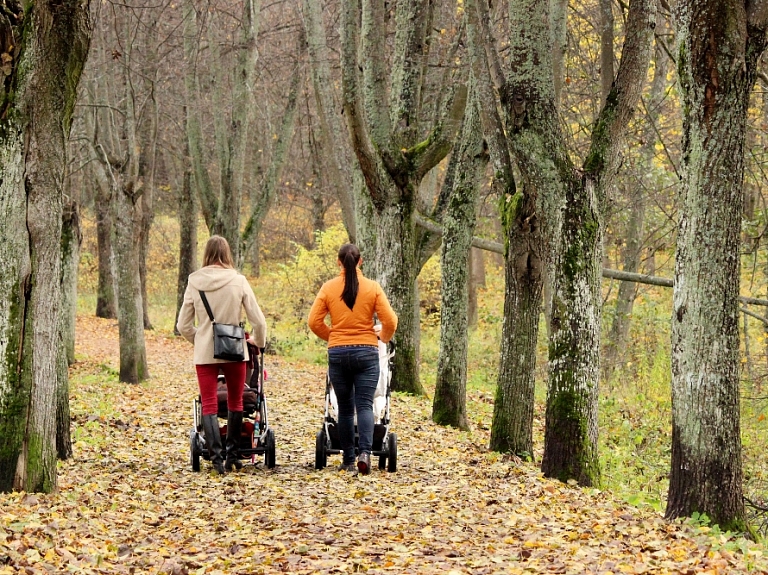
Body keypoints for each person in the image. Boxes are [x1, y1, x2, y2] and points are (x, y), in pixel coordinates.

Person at [177, 236, 267, 475]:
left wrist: (200, 338)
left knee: (208, 403)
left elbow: (183, 325)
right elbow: (258, 320)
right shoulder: (238, 281)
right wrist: (257, 341)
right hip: (235, 348)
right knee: (236, 402)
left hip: (205, 351)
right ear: (227, 253)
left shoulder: (194, 281)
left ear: (206, 254)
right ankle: (232, 456)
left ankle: (216, 459)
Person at [308, 243, 397, 475]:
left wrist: (334, 337)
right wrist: (383, 339)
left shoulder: (328, 288)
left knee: (346, 409)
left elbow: (313, 322)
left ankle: (348, 460)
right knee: (365, 404)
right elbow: (391, 321)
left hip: (338, 353)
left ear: (339, 262)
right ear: (360, 261)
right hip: (367, 352)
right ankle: (365, 454)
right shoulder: (373, 288)